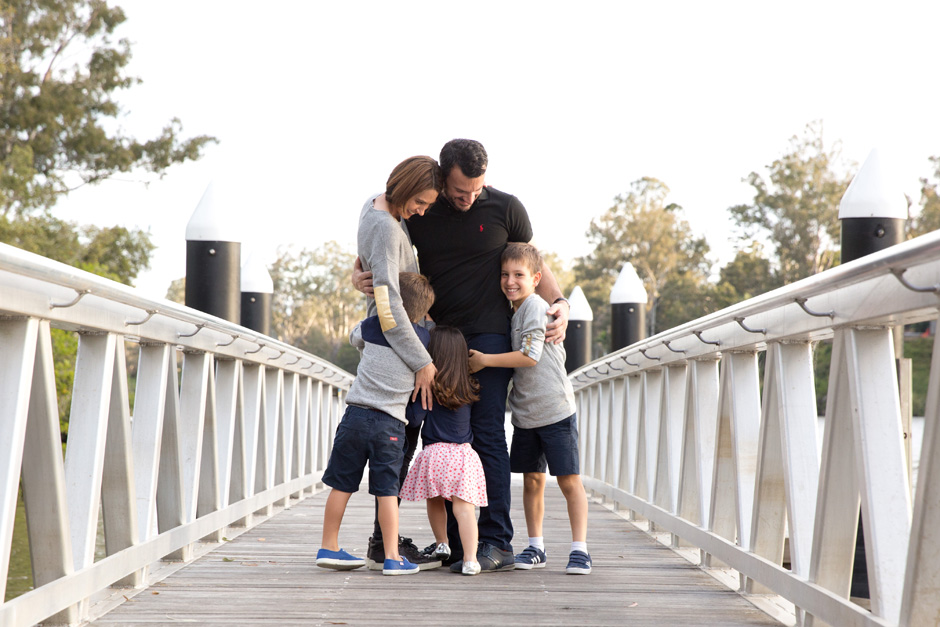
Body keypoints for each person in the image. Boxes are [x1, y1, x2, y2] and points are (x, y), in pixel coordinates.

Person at [354, 139, 570, 573]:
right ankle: (412, 541)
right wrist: (359, 274)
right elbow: (381, 252)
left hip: (491, 336)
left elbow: (533, 264)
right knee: (418, 431)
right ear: (441, 177)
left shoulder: (507, 208)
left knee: (486, 434)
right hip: (433, 336)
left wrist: (561, 302)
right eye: (459, 191)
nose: (468, 198)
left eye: (476, 189)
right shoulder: (422, 205)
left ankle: (494, 543)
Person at [469, 243, 591, 575]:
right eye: (505, 275)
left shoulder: (536, 306)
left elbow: (530, 356)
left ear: (536, 278)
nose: (510, 281)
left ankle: (580, 549)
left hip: (554, 409)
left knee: (568, 481)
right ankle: (536, 546)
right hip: (525, 414)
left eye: (519, 275)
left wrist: (484, 360)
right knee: (532, 480)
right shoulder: (513, 311)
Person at [316, 272, 435, 576]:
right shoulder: (422, 341)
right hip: (390, 425)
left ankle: (328, 546)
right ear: (422, 312)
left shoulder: (372, 326)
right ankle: (392, 557)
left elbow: (354, 335)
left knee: (341, 485)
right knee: (386, 491)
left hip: (355, 416)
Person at [356, 156, 444, 571]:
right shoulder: (388, 228)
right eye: (421, 203)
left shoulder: (372, 206)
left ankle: (383, 539)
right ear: (405, 188)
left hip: (391, 347)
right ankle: (382, 544)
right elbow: (390, 307)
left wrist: (363, 283)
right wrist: (421, 361)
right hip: (398, 355)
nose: (422, 212)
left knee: (400, 447)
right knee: (399, 446)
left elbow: (374, 280)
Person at [399, 326, 488, 576]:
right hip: (462, 455)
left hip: (434, 453)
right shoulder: (470, 386)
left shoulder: (429, 387)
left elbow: (414, 420)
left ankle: (443, 543)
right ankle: (471, 559)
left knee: (435, 500)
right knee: (464, 509)